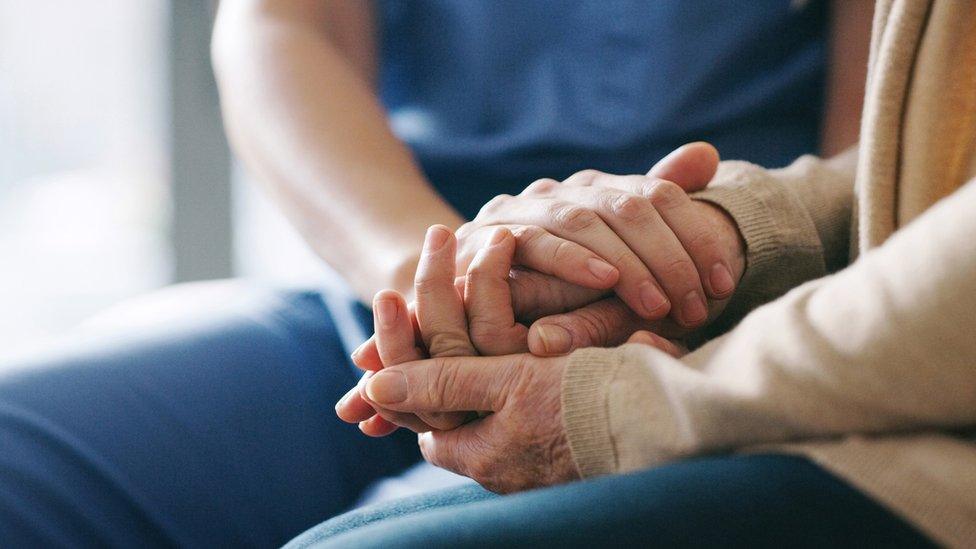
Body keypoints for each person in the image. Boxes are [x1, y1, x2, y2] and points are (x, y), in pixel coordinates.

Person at [0, 0, 871, 546]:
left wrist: (705, 295)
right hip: (382, 289)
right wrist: (437, 283)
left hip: (698, 329)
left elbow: (879, 155)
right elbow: (282, 26)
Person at [293, 0, 976, 546]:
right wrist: (732, 230)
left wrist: (628, 402)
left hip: (897, 422)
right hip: (439, 286)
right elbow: (919, 163)